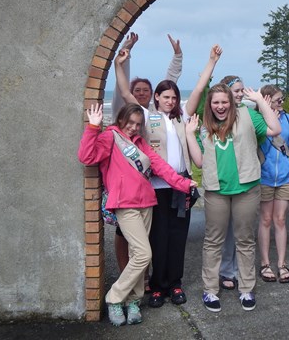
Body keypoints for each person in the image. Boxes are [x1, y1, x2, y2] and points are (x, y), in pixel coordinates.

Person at [115, 44, 223, 308]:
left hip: (181, 187)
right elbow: (126, 93)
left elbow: (198, 89)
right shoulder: (146, 117)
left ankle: (175, 284)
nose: (171, 101)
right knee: (158, 238)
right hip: (156, 188)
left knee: (177, 238)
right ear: (156, 98)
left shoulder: (182, 118)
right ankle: (158, 287)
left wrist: (211, 61)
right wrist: (120, 65)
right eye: (166, 97)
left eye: (174, 97)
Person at [78, 103, 197, 326]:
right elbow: (87, 157)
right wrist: (93, 128)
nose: (133, 127)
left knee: (137, 256)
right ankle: (114, 298)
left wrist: (183, 183)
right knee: (145, 254)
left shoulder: (141, 143)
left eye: (138, 124)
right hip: (125, 204)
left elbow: (160, 167)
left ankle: (133, 301)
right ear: (121, 119)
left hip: (147, 204)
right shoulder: (110, 137)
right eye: (130, 122)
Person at [186, 84, 281, 312]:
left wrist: (260, 101)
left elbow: (275, 129)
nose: (220, 106)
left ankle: (246, 288)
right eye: (215, 102)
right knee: (213, 241)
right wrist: (189, 134)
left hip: (246, 188)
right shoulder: (204, 124)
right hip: (216, 190)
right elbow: (199, 162)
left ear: (231, 101)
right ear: (210, 104)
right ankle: (210, 290)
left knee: (245, 240)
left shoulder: (248, 116)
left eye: (224, 102)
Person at [109, 32, 182, 289]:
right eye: (137, 90)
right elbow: (123, 90)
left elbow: (169, 84)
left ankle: (144, 280)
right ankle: (126, 278)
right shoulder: (128, 115)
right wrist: (120, 63)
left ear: (152, 95)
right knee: (126, 233)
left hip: (151, 184)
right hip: (127, 184)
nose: (141, 94)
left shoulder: (155, 115)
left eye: (146, 91)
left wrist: (177, 57)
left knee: (151, 236)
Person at [256, 85, 289, 283]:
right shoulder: (258, 119)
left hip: (283, 175)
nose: (281, 103)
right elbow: (258, 145)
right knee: (266, 219)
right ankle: (265, 263)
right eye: (277, 100)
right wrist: (268, 118)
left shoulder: (288, 119)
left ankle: (281, 263)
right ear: (266, 100)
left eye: (282, 99)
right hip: (264, 175)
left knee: (280, 220)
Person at [215, 75, 245, 290]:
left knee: (242, 232)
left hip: (245, 183)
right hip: (221, 185)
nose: (240, 94)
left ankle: (239, 271)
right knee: (223, 235)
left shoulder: (247, 116)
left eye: (242, 91)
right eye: (236, 91)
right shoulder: (212, 121)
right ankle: (226, 270)